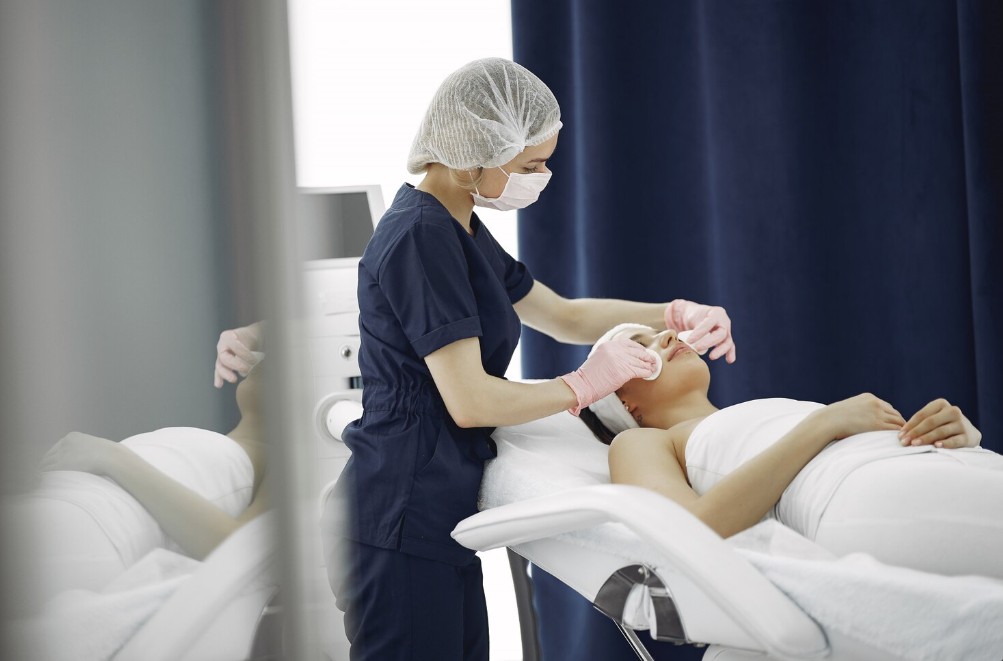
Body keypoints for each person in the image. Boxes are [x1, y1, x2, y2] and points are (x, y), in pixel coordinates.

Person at [214, 58, 737, 661]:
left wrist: (673, 313)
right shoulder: (420, 236)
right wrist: (590, 381)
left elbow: (562, 315)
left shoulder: (459, 225)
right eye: (529, 166)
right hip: (399, 515)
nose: (540, 178)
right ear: (474, 154)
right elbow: (472, 402)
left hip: (437, 515)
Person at [583, 323, 1003, 580]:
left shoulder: (749, 416)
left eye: (657, 332)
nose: (668, 336)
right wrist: (824, 423)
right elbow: (688, 535)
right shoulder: (638, 442)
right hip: (862, 498)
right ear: (623, 404)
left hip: (937, 468)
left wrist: (957, 436)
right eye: (641, 348)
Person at [5, 361, 270, 614]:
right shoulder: (219, 444)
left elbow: (238, 549)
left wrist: (112, 456)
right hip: (69, 505)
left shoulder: (292, 463)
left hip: (98, 528)